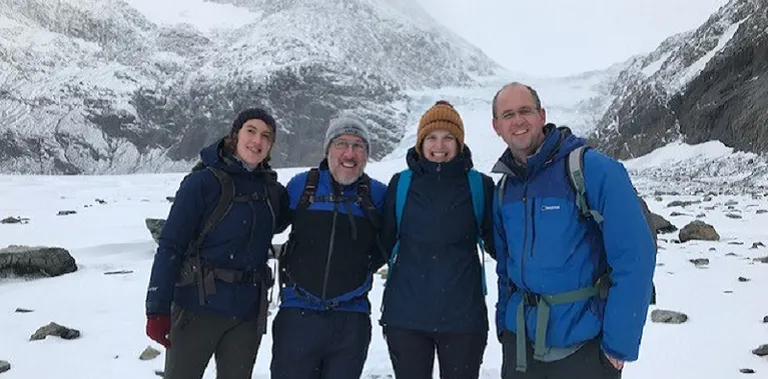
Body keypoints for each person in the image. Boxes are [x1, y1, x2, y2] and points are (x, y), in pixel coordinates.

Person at [490, 83, 656, 379]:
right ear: (497, 126)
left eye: (525, 111)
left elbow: (635, 256)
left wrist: (618, 346)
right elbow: (505, 268)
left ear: (541, 115)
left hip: (584, 348)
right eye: (508, 114)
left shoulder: (592, 170)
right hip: (520, 350)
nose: (518, 121)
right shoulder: (505, 190)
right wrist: (504, 326)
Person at [144, 108, 290, 379]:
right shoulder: (202, 183)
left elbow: (288, 221)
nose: (257, 141)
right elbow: (170, 246)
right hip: (197, 308)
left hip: (246, 315)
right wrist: (156, 309)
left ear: (270, 147)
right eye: (251, 131)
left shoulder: (270, 191)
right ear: (235, 135)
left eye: (266, 136)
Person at [379, 100, 497, 379]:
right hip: (405, 318)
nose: (439, 146)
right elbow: (381, 244)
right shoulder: (401, 184)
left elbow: (501, 246)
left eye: (448, 138)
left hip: (463, 321)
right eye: (431, 137)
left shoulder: (480, 186)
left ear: (459, 143)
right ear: (420, 142)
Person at [270, 115, 387, 379]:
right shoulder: (303, 186)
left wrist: (362, 268)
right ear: (327, 149)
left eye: (359, 146)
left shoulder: (377, 195)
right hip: (298, 313)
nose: (350, 153)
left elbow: (389, 244)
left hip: (351, 318)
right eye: (342, 143)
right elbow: (269, 223)